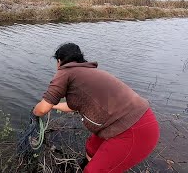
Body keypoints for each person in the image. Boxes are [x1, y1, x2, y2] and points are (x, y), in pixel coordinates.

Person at [33, 43, 160, 172]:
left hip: (135, 129)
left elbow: (41, 110)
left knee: (94, 171)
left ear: (59, 61)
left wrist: (35, 111)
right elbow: (72, 106)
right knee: (92, 148)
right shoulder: (88, 72)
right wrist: (53, 106)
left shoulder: (65, 72)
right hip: (128, 122)